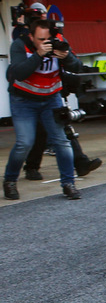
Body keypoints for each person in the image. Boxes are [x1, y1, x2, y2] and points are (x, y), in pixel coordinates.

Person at [4, 17, 85, 200]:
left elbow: (78, 67)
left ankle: (68, 183)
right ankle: (10, 181)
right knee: (24, 143)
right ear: (31, 36)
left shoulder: (59, 43)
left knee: (61, 141)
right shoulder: (19, 46)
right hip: (23, 99)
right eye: (40, 40)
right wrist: (38, 54)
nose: (45, 43)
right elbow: (18, 73)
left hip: (51, 98)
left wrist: (67, 56)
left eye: (46, 39)